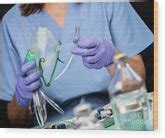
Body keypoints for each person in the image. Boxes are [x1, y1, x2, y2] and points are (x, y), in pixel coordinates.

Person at [0, 3, 153, 127]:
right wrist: (22, 98)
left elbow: (139, 78)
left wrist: (114, 58)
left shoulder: (108, 4)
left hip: (114, 119)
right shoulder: (12, 22)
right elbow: (16, 121)